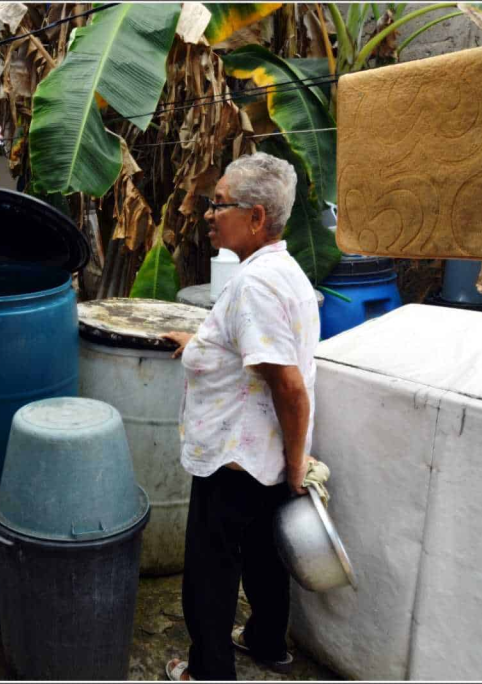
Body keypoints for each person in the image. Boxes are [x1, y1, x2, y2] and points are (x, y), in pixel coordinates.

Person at [160, 152, 320, 681]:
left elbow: (288, 385)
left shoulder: (254, 285)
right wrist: (199, 342)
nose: (209, 213)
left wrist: (296, 465)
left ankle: (208, 672)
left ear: (256, 217)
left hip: (235, 457)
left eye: (220, 204)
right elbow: (252, 349)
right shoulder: (282, 271)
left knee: (211, 570)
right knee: (262, 554)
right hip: (264, 453)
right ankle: (266, 641)